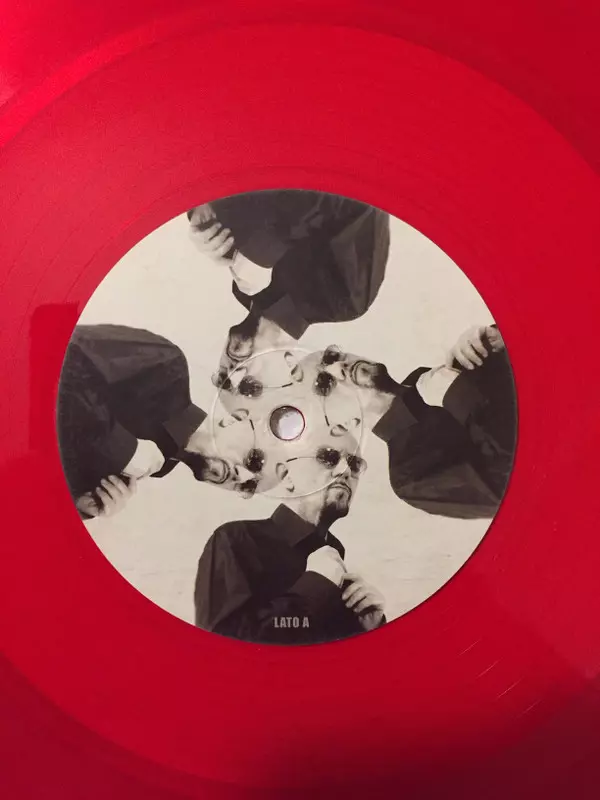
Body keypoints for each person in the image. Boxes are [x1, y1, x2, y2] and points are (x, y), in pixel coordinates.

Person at [194, 430, 386, 644]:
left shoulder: (335, 559)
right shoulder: (235, 540)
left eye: (355, 464)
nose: (346, 471)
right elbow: (221, 646)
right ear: (286, 476)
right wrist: (317, 584)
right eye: (328, 457)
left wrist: (371, 629)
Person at [57, 325, 268, 519]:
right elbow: (60, 350)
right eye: (254, 459)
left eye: (249, 486)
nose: (241, 477)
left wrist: (79, 506)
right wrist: (124, 449)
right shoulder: (167, 364)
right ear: (236, 419)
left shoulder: (154, 469)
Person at [318, 325, 517, 519]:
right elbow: (518, 488)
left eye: (331, 357)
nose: (338, 366)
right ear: (342, 425)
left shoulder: (431, 373)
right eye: (325, 383)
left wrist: (503, 338)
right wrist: (457, 394)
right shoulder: (411, 478)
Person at [188, 189, 390, 340]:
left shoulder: (245, 291)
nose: (234, 373)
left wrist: (204, 203)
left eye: (221, 376)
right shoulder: (348, 299)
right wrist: (261, 252)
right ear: (292, 367)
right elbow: (358, 184)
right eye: (250, 383)